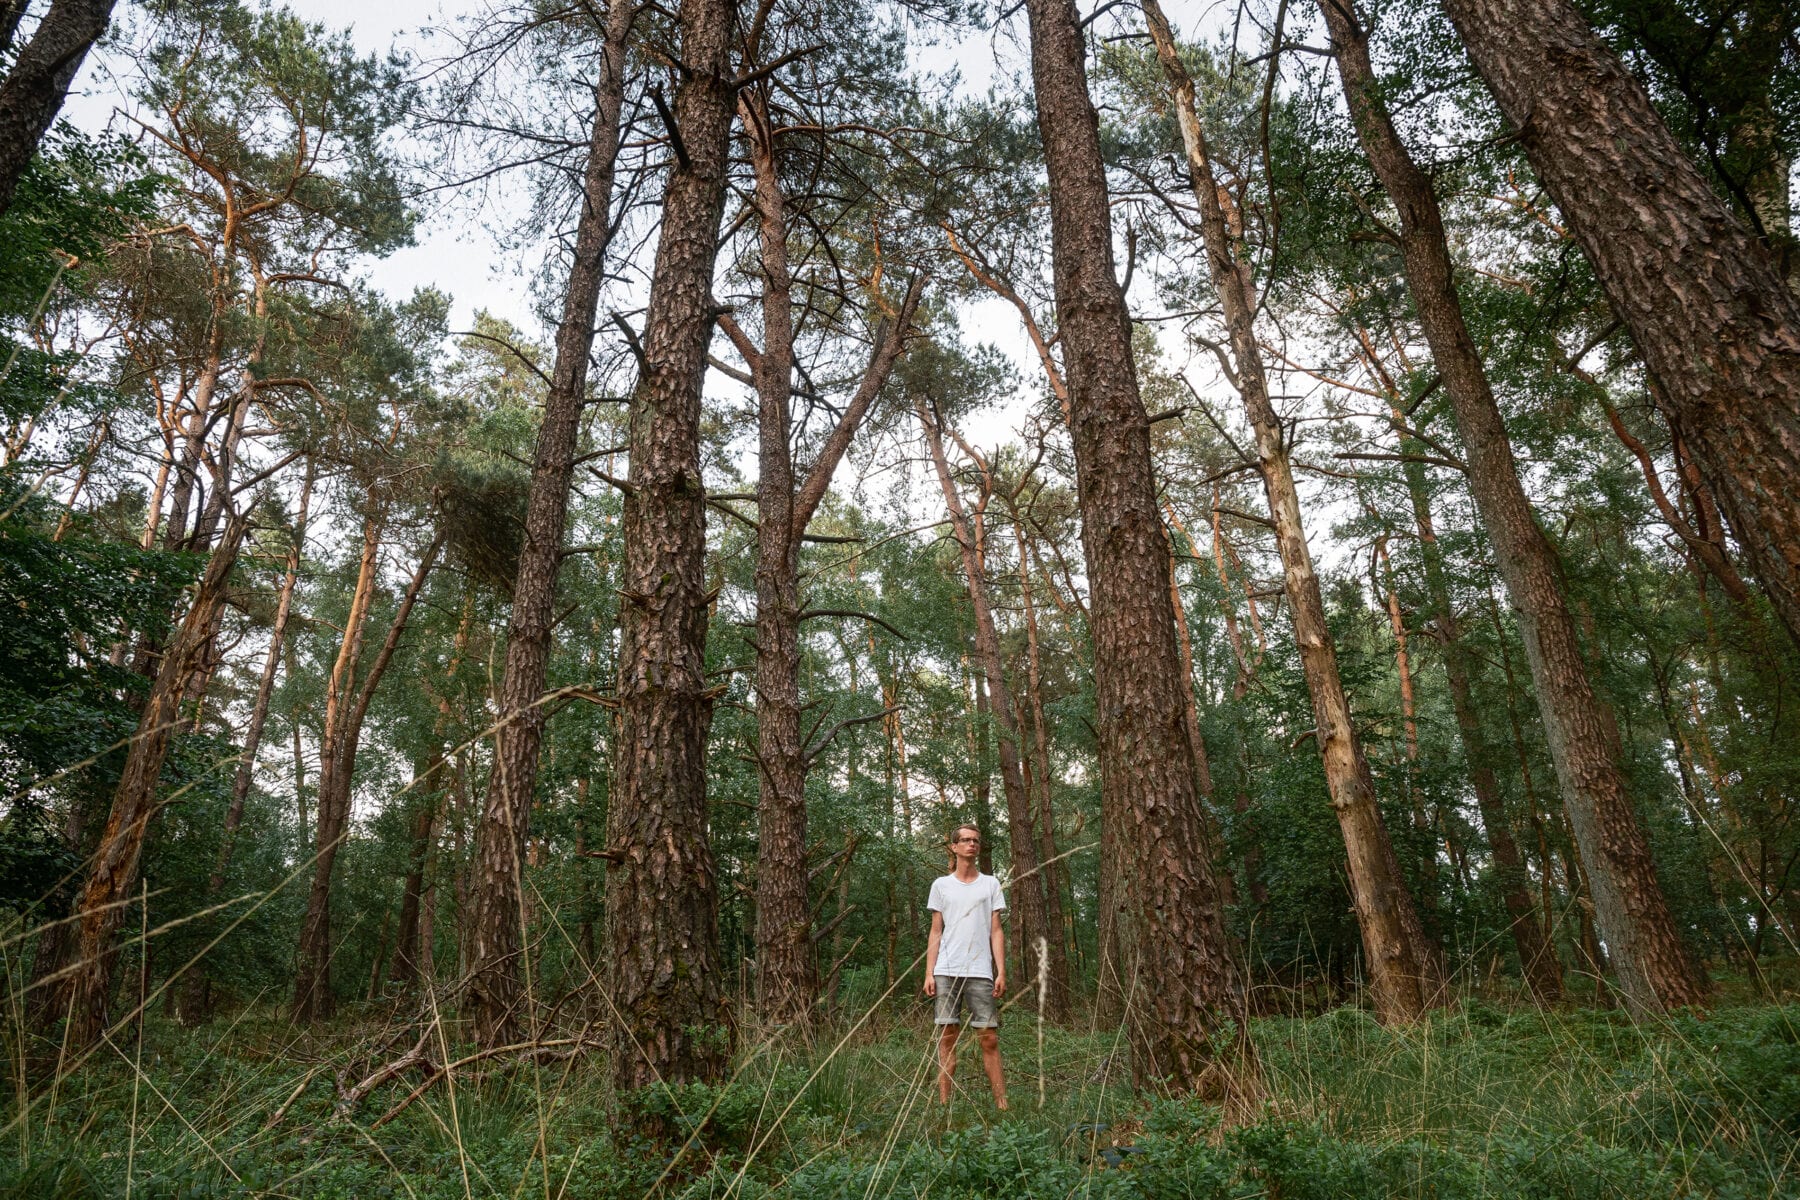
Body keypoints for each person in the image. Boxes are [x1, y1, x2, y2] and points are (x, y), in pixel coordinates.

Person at [924, 823, 1008, 1109]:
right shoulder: (941, 885)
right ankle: (945, 1105)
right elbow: (936, 931)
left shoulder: (991, 884)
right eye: (966, 840)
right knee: (947, 1038)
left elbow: (996, 930)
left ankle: (1002, 1104)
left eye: (976, 840)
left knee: (989, 1039)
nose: (972, 844)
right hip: (947, 970)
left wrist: (1001, 971)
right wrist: (929, 972)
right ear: (954, 847)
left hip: (981, 972)